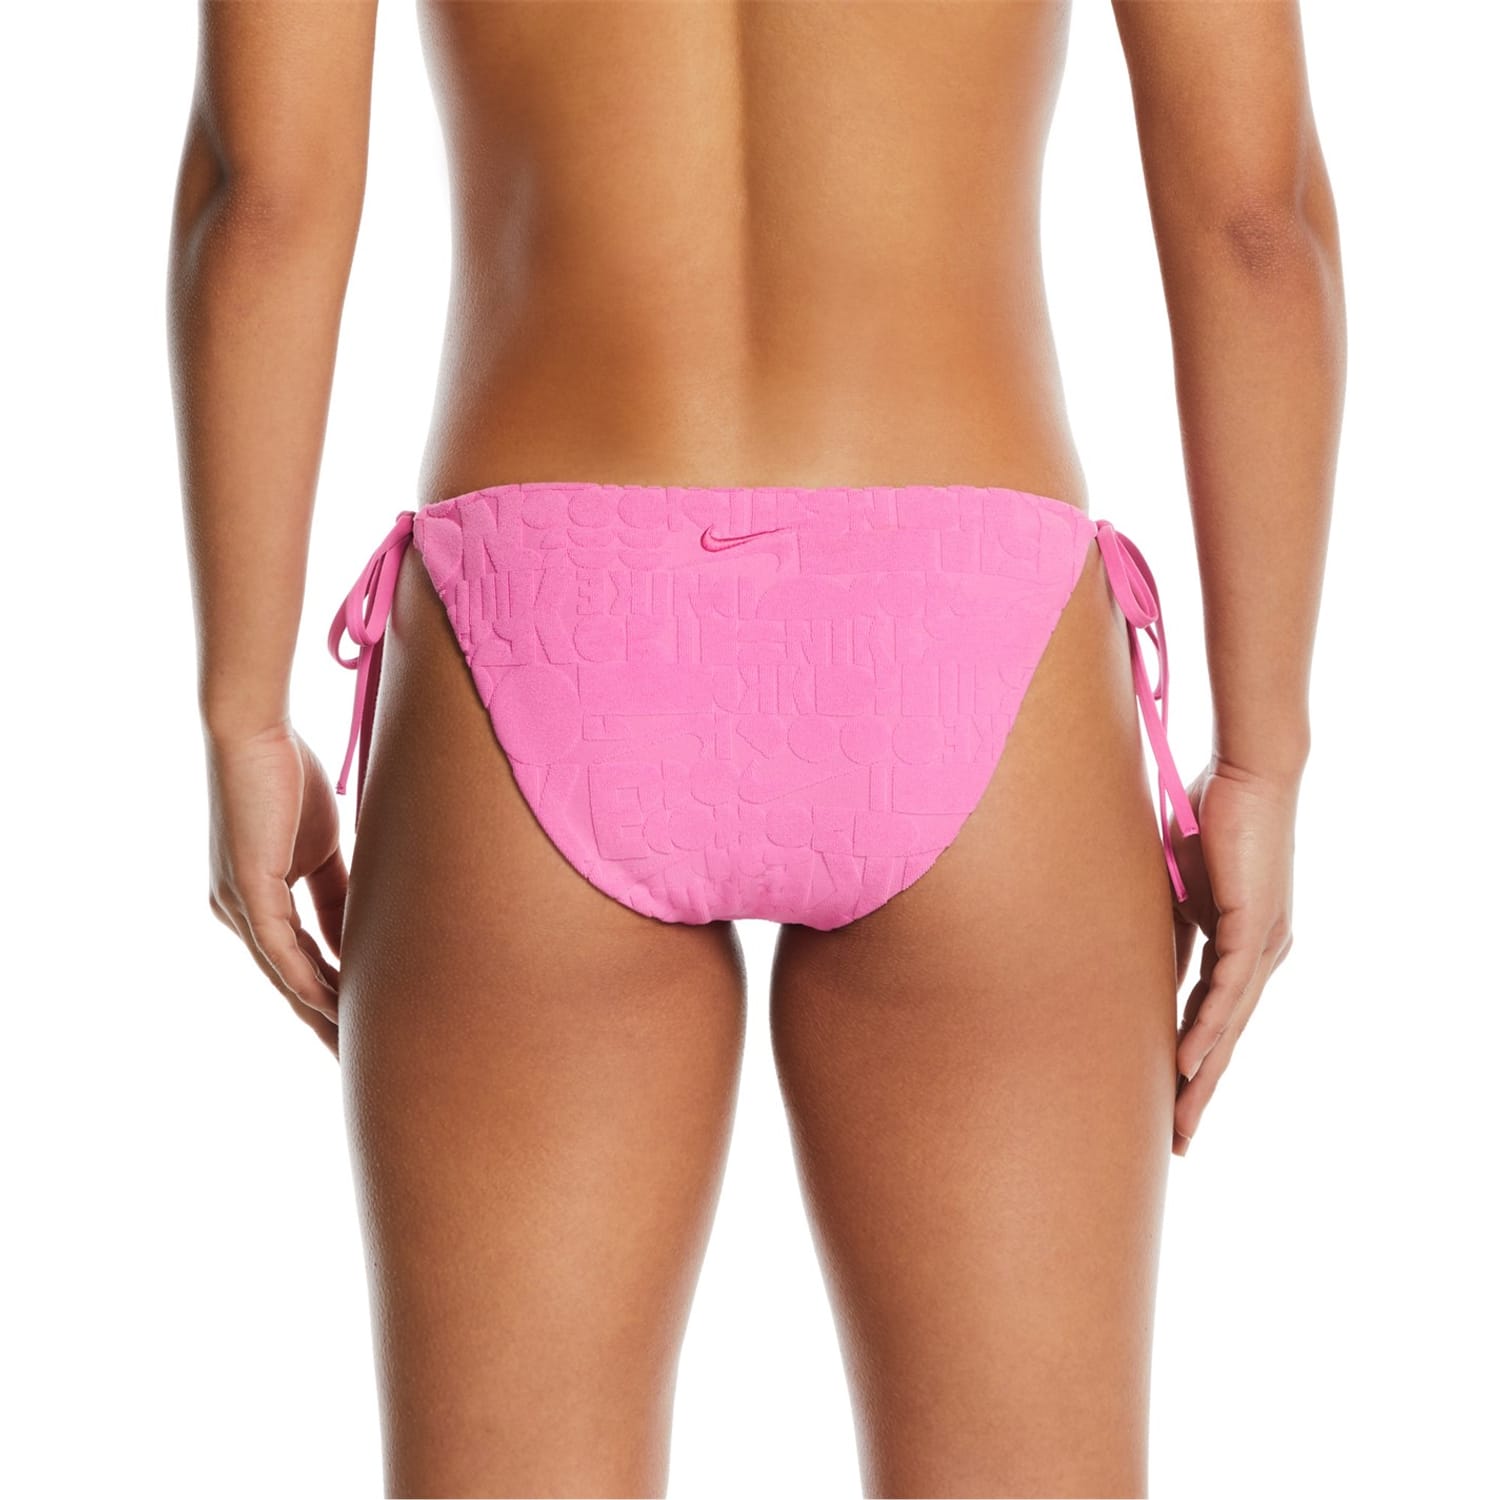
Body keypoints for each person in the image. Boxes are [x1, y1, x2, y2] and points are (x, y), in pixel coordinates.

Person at [167, 1, 1343, 1494]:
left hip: (546, 609)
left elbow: (261, 195)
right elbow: (1254, 220)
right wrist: (1262, 754)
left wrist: (241, 708)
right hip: (965, 610)